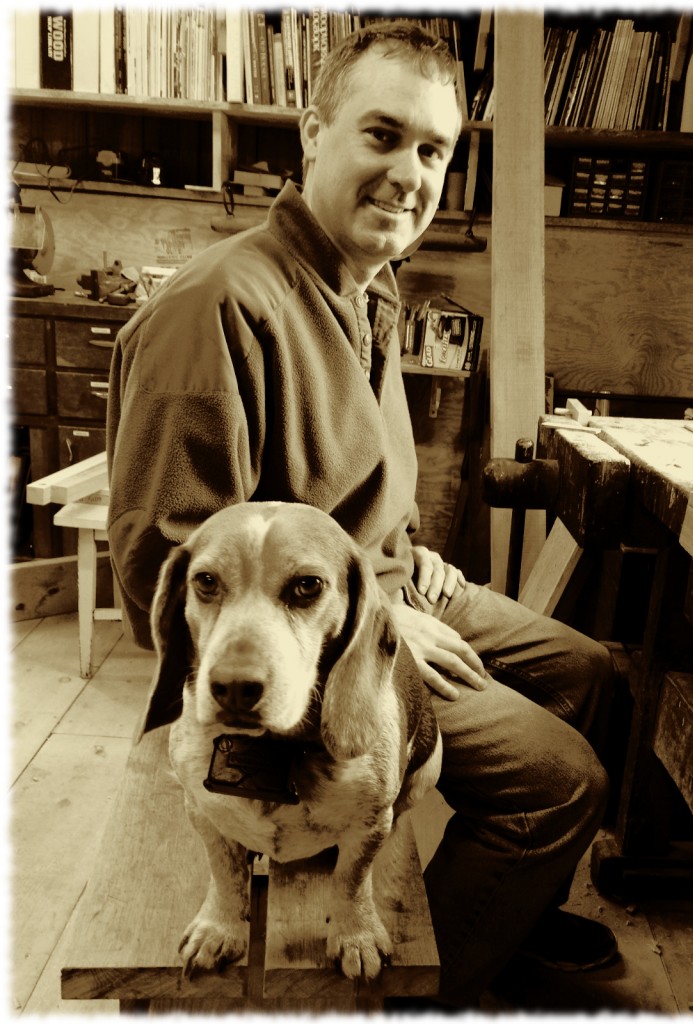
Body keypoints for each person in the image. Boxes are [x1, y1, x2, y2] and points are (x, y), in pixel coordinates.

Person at [107, 20, 618, 1009]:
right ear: (313, 131)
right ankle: (405, 998)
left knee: (589, 671)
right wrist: (372, 632)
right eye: (382, 136)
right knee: (564, 780)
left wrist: (411, 562)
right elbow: (166, 568)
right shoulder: (217, 304)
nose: (410, 173)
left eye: (433, 149)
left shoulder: (362, 291)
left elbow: (360, 497)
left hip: (387, 588)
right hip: (329, 630)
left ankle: (506, 899)